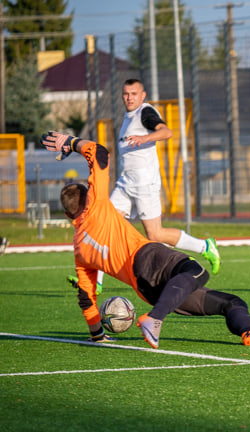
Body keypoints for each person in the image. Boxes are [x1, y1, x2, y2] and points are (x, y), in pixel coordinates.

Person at [42, 131, 250, 349]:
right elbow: (99, 152)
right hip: (148, 258)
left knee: (231, 303)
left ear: (67, 216)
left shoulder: (79, 250)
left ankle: (249, 332)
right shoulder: (96, 204)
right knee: (196, 270)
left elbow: (87, 298)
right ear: (90, 196)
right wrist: (71, 142)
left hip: (147, 290)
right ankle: (155, 318)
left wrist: (97, 335)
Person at [68, 78, 221, 294]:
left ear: (143, 96)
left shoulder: (145, 113)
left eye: (133, 94)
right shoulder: (127, 116)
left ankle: (205, 246)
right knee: (102, 226)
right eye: (125, 94)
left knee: (155, 235)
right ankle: (96, 283)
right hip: (125, 183)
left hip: (144, 183)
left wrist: (144, 138)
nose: (129, 98)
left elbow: (166, 132)